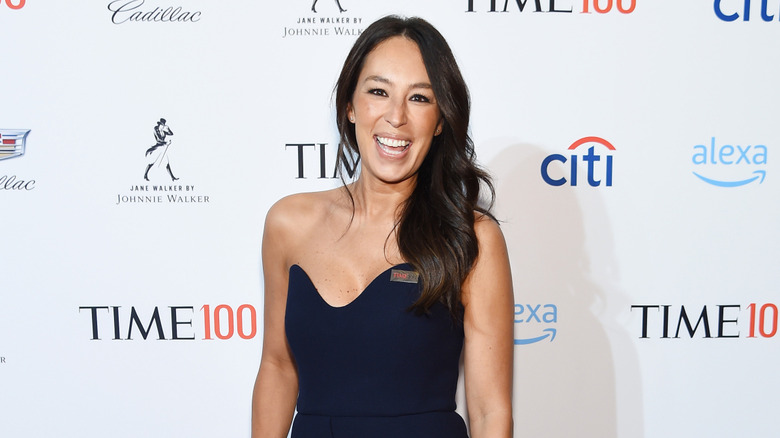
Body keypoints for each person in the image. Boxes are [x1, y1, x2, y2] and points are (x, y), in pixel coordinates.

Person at [252, 15, 513, 438]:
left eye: (420, 99)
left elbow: (489, 411)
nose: (396, 117)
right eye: (378, 92)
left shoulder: (471, 236)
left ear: (442, 120)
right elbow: (278, 366)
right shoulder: (288, 223)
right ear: (351, 106)